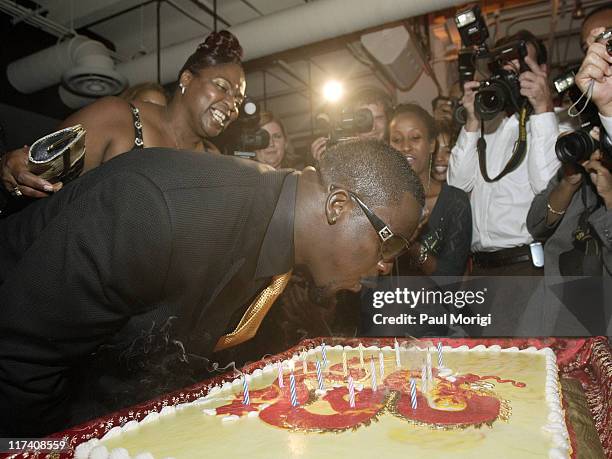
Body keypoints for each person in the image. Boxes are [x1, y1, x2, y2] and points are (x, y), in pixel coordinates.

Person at [0, 139, 425, 436]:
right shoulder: (159, 211)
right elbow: (20, 362)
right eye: (390, 243)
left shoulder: (269, 233)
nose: (385, 265)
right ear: (338, 206)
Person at [0, 30, 245, 199]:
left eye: (238, 100)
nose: (232, 106)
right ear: (187, 78)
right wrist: (14, 169)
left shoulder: (214, 161)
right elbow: (38, 175)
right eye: (222, 87)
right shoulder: (117, 117)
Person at [448, 29, 560, 275]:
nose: (514, 79)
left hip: (525, 267)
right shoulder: (486, 125)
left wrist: (542, 108)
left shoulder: (555, 124)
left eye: (522, 69)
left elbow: (547, 188)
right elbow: (457, 187)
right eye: (506, 70)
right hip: (479, 269)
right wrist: (473, 120)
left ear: (543, 70)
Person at [527, 27, 612, 279]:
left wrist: (608, 194)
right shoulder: (579, 150)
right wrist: (570, 180)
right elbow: (536, 224)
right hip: (566, 302)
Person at [389, 104, 471, 276]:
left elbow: (451, 278)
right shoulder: (378, 200)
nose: (405, 147)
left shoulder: (454, 201)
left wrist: (411, 244)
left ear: (432, 144)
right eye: (396, 140)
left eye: (415, 138)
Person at [310, 86, 393, 162]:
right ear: (351, 122)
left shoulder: (399, 153)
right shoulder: (343, 159)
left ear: (388, 119)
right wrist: (325, 165)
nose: (373, 127)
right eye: (364, 120)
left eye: (378, 118)